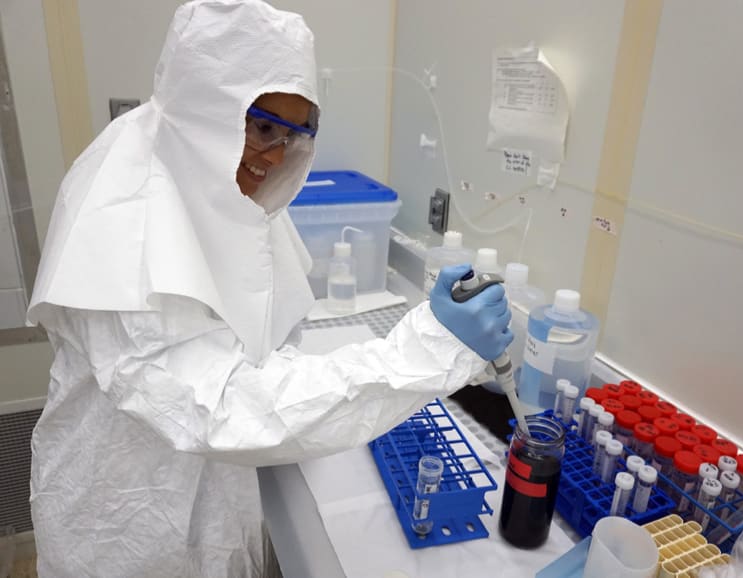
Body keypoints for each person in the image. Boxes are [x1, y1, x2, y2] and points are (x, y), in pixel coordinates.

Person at [26, 1, 512, 576]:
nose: (276, 154)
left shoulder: (218, 179)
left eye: (295, 133)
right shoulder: (125, 212)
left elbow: (262, 339)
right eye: (260, 126)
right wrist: (424, 350)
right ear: (208, 106)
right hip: (125, 525)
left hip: (210, 493)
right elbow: (216, 407)